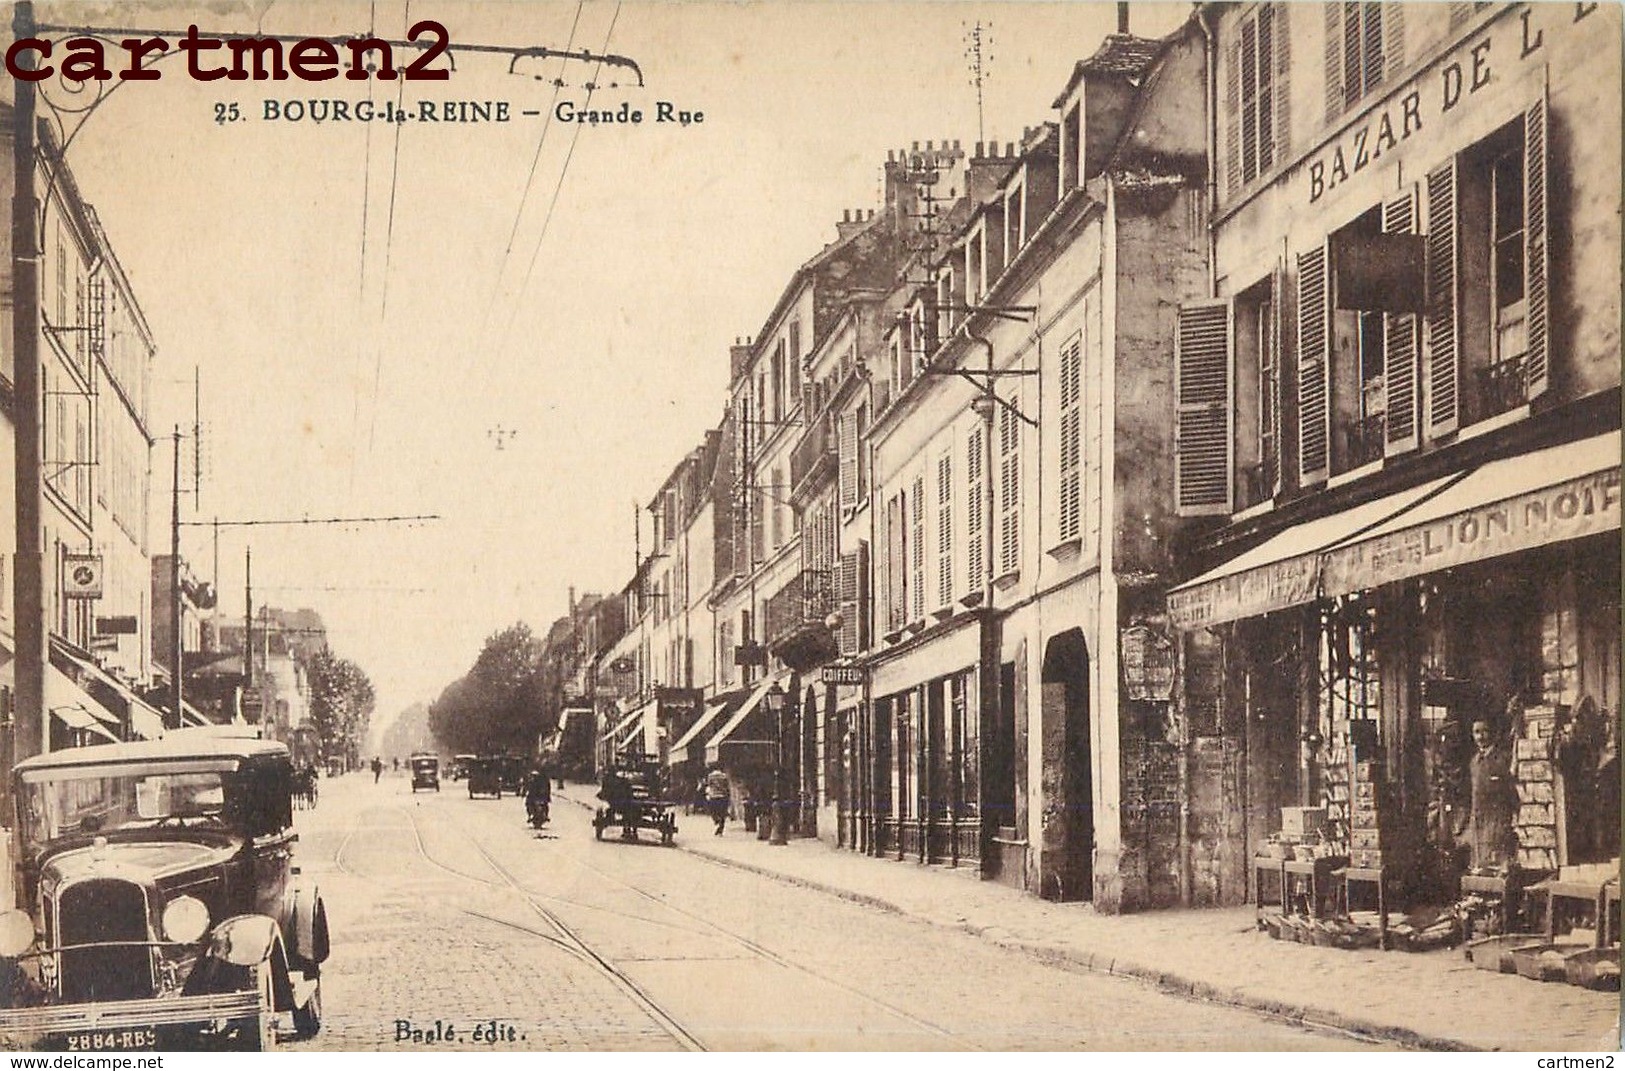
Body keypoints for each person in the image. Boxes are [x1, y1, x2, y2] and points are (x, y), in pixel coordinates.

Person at [1458, 718, 1518, 872]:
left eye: (1484, 731)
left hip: (1498, 822)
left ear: (1492, 733)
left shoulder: (1503, 759)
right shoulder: (1474, 762)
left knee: (1498, 864)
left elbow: (1511, 792)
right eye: (1476, 732)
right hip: (1479, 823)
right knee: (1481, 865)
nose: (1480, 737)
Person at [703, 765, 731, 836]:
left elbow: (709, 785)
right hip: (723, 796)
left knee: (713, 811)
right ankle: (720, 829)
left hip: (713, 796)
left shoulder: (710, 776)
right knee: (722, 813)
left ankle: (717, 821)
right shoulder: (724, 776)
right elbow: (727, 786)